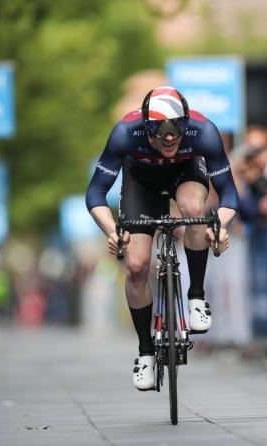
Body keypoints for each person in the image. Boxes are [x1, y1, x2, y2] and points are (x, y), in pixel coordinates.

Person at [85, 86, 238, 390]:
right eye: (159, 134)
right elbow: (95, 192)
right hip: (141, 182)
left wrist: (219, 227)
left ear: (185, 125)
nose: (168, 140)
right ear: (145, 128)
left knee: (194, 210)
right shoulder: (125, 133)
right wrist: (112, 231)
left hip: (186, 173)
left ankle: (195, 297)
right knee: (137, 266)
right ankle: (145, 352)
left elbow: (229, 195)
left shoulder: (204, 132)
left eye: (176, 133)